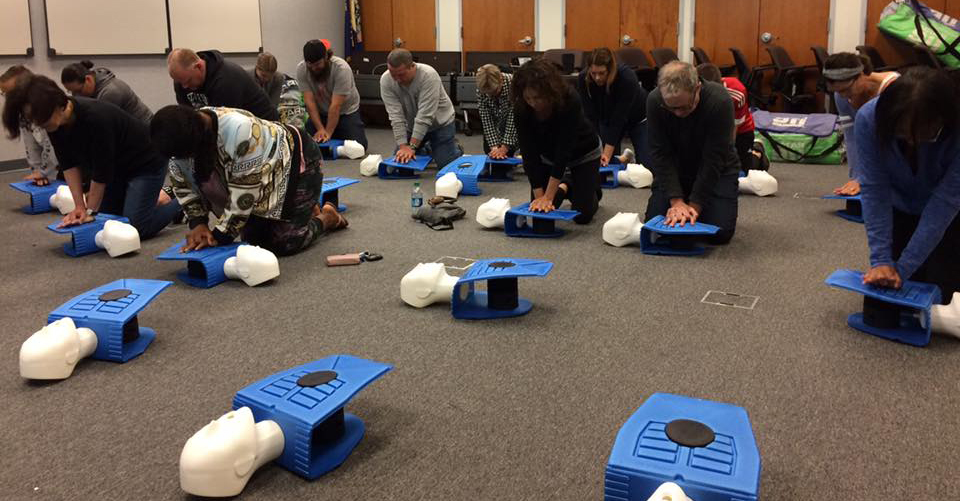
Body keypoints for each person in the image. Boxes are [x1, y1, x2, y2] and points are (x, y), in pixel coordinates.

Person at [150, 105, 348, 256]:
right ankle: (304, 209)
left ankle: (327, 217)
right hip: (263, 174)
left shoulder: (240, 130)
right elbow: (183, 185)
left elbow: (243, 197)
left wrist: (217, 239)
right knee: (254, 244)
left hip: (298, 160)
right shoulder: (178, 145)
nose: (182, 160)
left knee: (284, 243)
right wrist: (199, 224)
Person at [2, 75, 179, 238]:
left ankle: (183, 201)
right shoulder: (54, 124)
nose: (39, 124)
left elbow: (101, 173)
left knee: (135, 227)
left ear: (58, 105)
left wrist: (89, 213)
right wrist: (80, 207)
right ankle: (151, 200)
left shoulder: (95, 118)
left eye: (42, 120)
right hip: (117, 168)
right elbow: (68, 165)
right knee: (110, 220)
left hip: (146, 163)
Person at [856, 67, 959, 302]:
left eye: (924, 133)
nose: (912, 141)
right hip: (900, 205)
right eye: (903, 132)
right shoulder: (869, 118)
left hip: (951, 214)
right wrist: (881, 261)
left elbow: (946, 202)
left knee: (945, 296)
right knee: (889, 296)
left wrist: (903, 268)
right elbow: (875, 189)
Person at [645, 61, 740, 243]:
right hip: (678, 169)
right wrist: (676, 201)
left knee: (719, 234)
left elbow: (714, 159)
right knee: (655, 226)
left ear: (697, 88)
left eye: (685, 107)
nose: (678, 114)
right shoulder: (654, 101)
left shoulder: (719, 101)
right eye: (671, 108)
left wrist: (694, 207)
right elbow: (660, 154)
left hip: (719, 170)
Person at [512, 58, 602, 224]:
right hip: (547, 156)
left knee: (582, 216)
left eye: (538, 97)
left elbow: (563, 151)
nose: (533, 103)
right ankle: (566, 185)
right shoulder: (522, 108)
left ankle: (591, 189)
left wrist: (549, 196)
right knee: (541, 220)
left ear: (550, 91)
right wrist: (541, 199)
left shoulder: (570, 100)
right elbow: (529, 154)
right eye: (528, 98)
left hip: (583, 151)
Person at [823, 52, 900, 196]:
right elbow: (852, 137)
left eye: (846, 90)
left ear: (862, 75)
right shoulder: (841, 95)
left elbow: (894, 145)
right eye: (838, 92)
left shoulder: (894, 89)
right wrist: (856, 178)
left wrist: (866, 179)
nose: (844, 96)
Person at [380, 48, 462, 168]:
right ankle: (428, 148)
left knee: (446, 165)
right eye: (393, 74)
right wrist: (403, 146)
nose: (397, 79)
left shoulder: (428, 75)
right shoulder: (386, 80)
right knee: (398, 166)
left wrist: (412, 147)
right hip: (412, 126)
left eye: (401, 74)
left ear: (412, 66)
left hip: (440, 125)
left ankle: (455, 149)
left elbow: (425, 116)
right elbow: (396, 116)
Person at [577, 48, 649, 167]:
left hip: (637, 118)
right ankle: (624, 158)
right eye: (593, 73)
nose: (597, 78)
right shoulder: (584, 78)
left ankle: (627, 158)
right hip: (607, 119)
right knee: (604, 161)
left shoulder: (627, 78)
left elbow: (619, 118)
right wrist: (598, 150)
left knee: (647, 168)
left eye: (601, 73)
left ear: (610, 70)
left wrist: (607, 151)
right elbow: (590, 116)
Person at [168, 48, 278, 121]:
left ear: (199, 66)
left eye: (188, 81)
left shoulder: (226, 80)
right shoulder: (182, 81)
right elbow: (189, 118)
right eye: (180, 82)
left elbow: (225, 128)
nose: (185, 87)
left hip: (264, 127)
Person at [296, 39, 367, 148]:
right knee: (304, 144)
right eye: (310, 64)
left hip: (345, 112)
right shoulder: (302, 69)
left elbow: (336, 106)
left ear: (326, 57)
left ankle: (336, 132)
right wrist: (320, 129)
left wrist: (328, 133)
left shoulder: (341, 69)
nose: (314, 68)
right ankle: (335, 135)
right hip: (320, 113)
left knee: (360, 146)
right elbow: (309, 101)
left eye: (318, 64)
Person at [697, 63, 759, 174]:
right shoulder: (693, 91)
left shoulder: (736, 93)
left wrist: (727, 157)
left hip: (741, 132)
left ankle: (757, 154)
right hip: (710, 129)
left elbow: (733, 130)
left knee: (741, 171)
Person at [0, 65, 57, 186]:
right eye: (4, 94)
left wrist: (44, 172)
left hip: (72, 164)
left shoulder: (46, 107)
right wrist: (37, 171)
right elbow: (31, 146)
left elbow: (52, 144)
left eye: (11, 94)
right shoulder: (23, 113)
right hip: (53, 164)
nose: (8, 99)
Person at [60, 60, 153, 123]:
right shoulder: (97, 86)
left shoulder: (111, 92)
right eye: (71, 92)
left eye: (78, 91)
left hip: (145, 135)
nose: (76, 96)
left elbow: (100, 126)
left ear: (88, 79)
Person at [249, 52, 307, 128]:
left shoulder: (278, 77)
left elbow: (272, 105)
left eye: (270, 77)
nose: (266, 79)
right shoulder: (247, 77)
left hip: (267, 113)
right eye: (263, 75)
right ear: (257, 68)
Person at [475, 64, 518, 159]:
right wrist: (494, 147)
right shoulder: (482, 88)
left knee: (508, 152)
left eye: (494, 92)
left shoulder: (514, 84)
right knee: (490, 152)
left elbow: (513, 118)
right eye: (487, 93)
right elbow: (486, 119)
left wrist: (504, 147)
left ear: (501, 81)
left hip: (514, 121)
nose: (490, 96)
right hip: (495, 121)